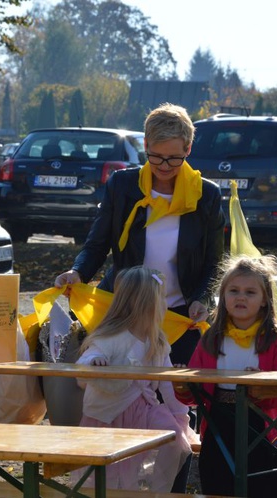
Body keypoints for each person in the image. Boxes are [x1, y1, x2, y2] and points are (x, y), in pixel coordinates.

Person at [54, 102, 225, 366]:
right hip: (124, 310)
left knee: (178, 397)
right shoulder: (121, 185)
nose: (164, 166)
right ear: (145, 145)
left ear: (188, 149)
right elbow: (97, 245)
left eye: (173, 158)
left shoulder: (207, 196)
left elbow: (215, 262)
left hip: (180, 316)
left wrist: (202, 299)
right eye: (155, 156)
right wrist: (77, 272)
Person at [174, 255, 277, 498]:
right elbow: (195, 396)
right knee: (218, 484)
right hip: (219, 423)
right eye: (234, 290)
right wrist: (182, 384)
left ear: (264, 301)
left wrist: (262, 386)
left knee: (264, 487)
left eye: (250, 292)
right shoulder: (211, 338)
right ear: (223, 296)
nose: (241, 297)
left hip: (264, 425)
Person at [73, 266, 194, 492]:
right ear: (147, 304)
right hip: (109, 415)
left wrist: (180, 417)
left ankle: (156, 490)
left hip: (143, 410)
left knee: (173, 437)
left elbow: (166, 382)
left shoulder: (156, 341)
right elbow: (85, 362)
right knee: (111, 473)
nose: (165, 305)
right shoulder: (112, 337)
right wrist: (96, 360)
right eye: (162, 298)